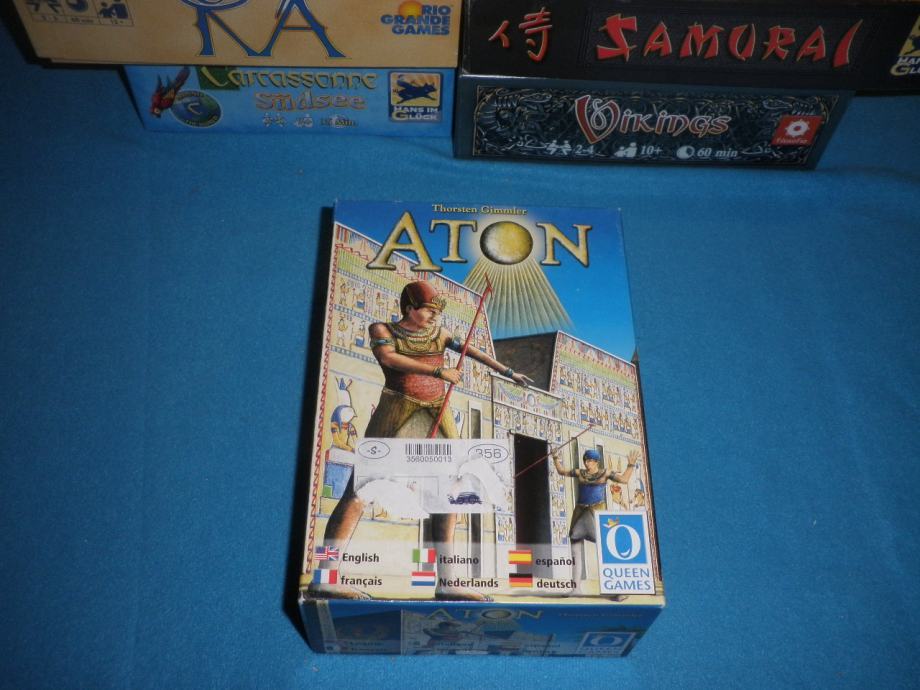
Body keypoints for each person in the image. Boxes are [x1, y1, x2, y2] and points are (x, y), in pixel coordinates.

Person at [311, 280, 532, 599]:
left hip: (437, 411)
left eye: (436, 312)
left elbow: (471, 352)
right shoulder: (382, 330)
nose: (433, 317)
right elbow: (389, 359)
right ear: (409, 308)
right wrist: (438, 373)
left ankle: (447, 582)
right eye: (428, 311)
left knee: (451, 493)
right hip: (397, 409)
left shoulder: (439, 334)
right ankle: (325, 576)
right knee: (359, 491)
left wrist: (508, 372)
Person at [553, 448, 640, 593]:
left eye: (591, 461)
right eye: (586, 461)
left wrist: (630, 465)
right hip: (580, 513)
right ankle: (576, 589)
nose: (588, 464)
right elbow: (562, 471)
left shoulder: (605, 473)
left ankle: (618, 590)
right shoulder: (580, 473)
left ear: (596, 462)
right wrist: (555, 458)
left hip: (596, 513)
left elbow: (624, 480)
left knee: (607, 548)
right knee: (575, 547)